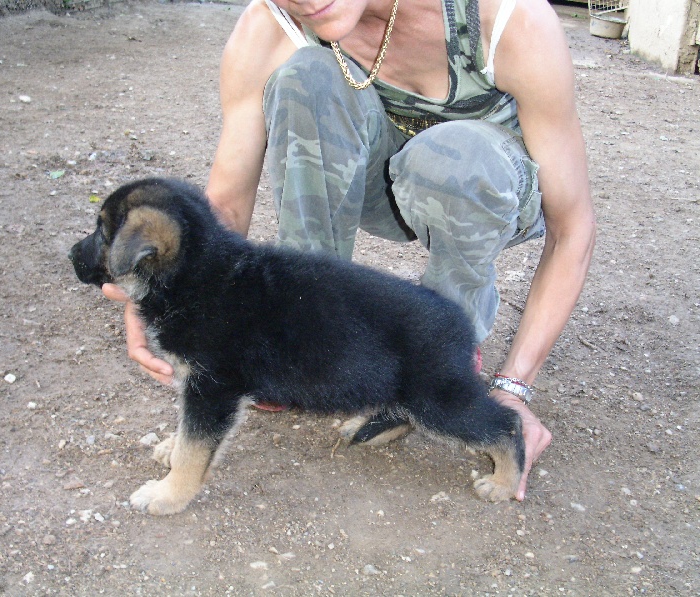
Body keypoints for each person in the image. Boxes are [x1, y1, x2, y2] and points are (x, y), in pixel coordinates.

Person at [102, 0, 596, 501]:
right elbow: (222, 208)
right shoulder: (271, 23)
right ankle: (311, 357)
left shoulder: (509, 20)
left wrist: (514, 386)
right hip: (379, 182)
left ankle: (437, 373)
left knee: (452, 159)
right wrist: (157, 288)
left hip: (485, 186)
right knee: (308, 77)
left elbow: (572, 229)